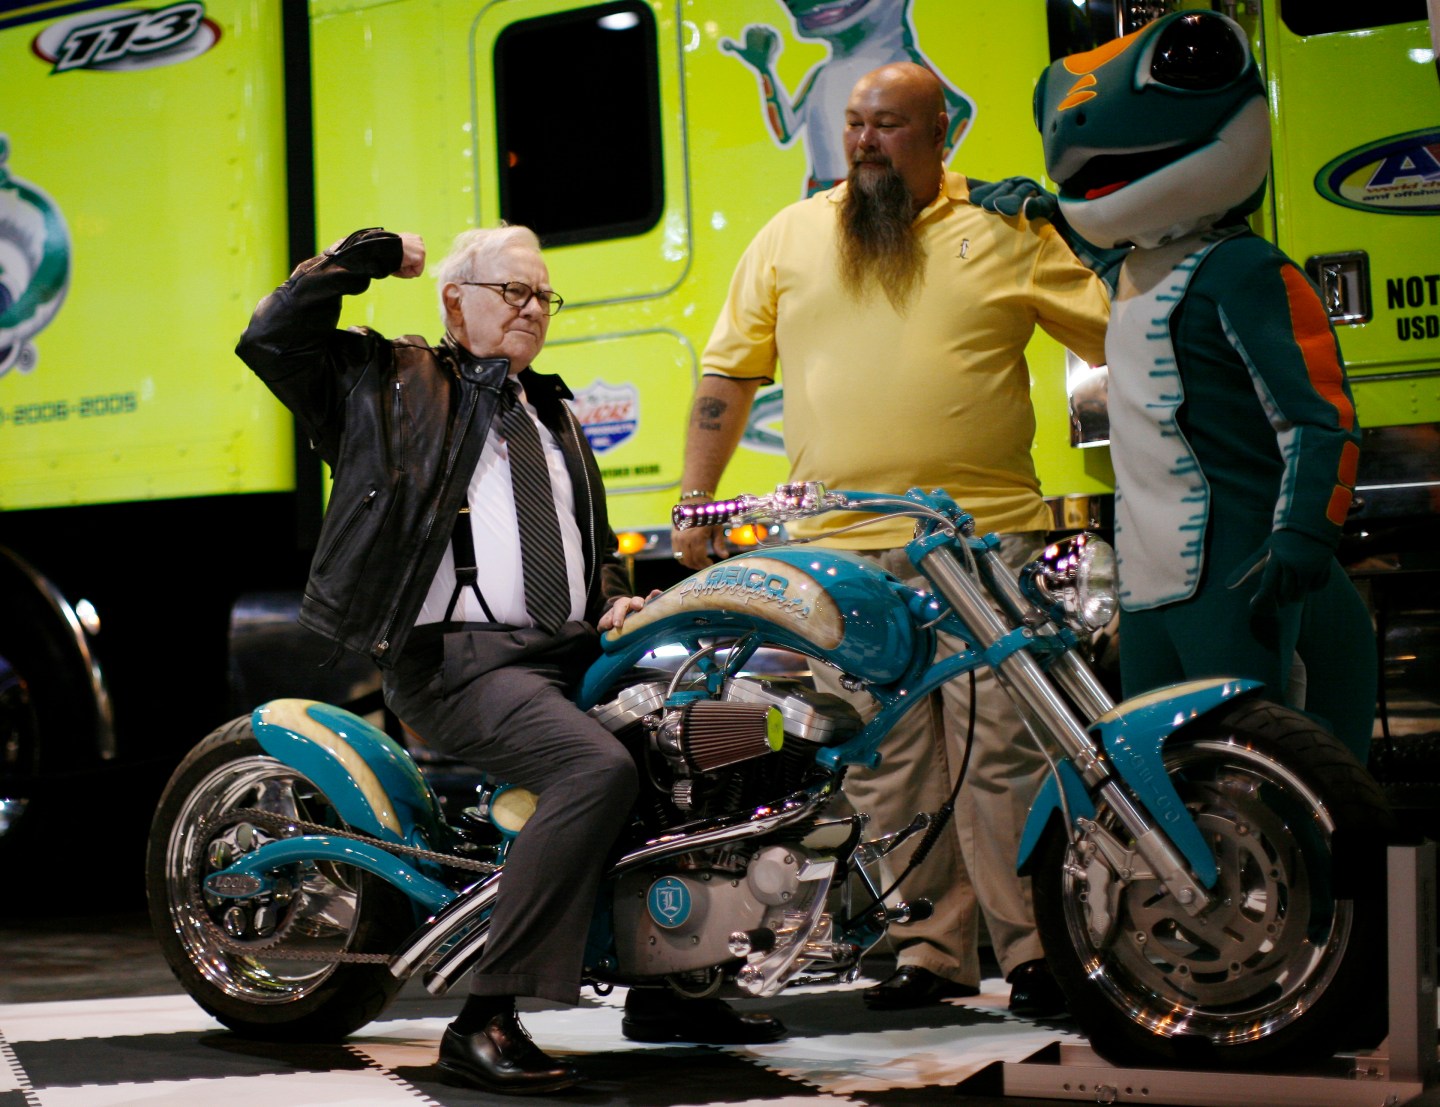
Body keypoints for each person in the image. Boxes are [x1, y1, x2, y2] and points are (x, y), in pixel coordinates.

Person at [236, 224, 783, 1095]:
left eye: (542, 297)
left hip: (567, 650)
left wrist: (612, 597)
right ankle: (485, 1017)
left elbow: (582, 541)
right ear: (457, 302)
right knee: (594, 771)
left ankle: (676, 985)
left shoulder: (553, 409)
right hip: (459, 661)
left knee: (708, 734)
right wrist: (363, 256)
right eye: (511, 293)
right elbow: (272, 338)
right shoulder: (389, 382)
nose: (531, 310)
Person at [672, 62, 1110, 1015]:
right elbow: (727, 373)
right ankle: (928, 949)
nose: (866, 142)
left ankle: (1033, 949)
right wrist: (692, 499)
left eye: (890, 127)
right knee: (891, 754)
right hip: (840, 550)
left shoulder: (1004, 226)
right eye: (856, 125)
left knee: (1005, 749)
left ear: (941, 135)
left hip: (982, 540)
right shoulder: (791, 234)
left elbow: (1117, 329)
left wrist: (1079, 224)